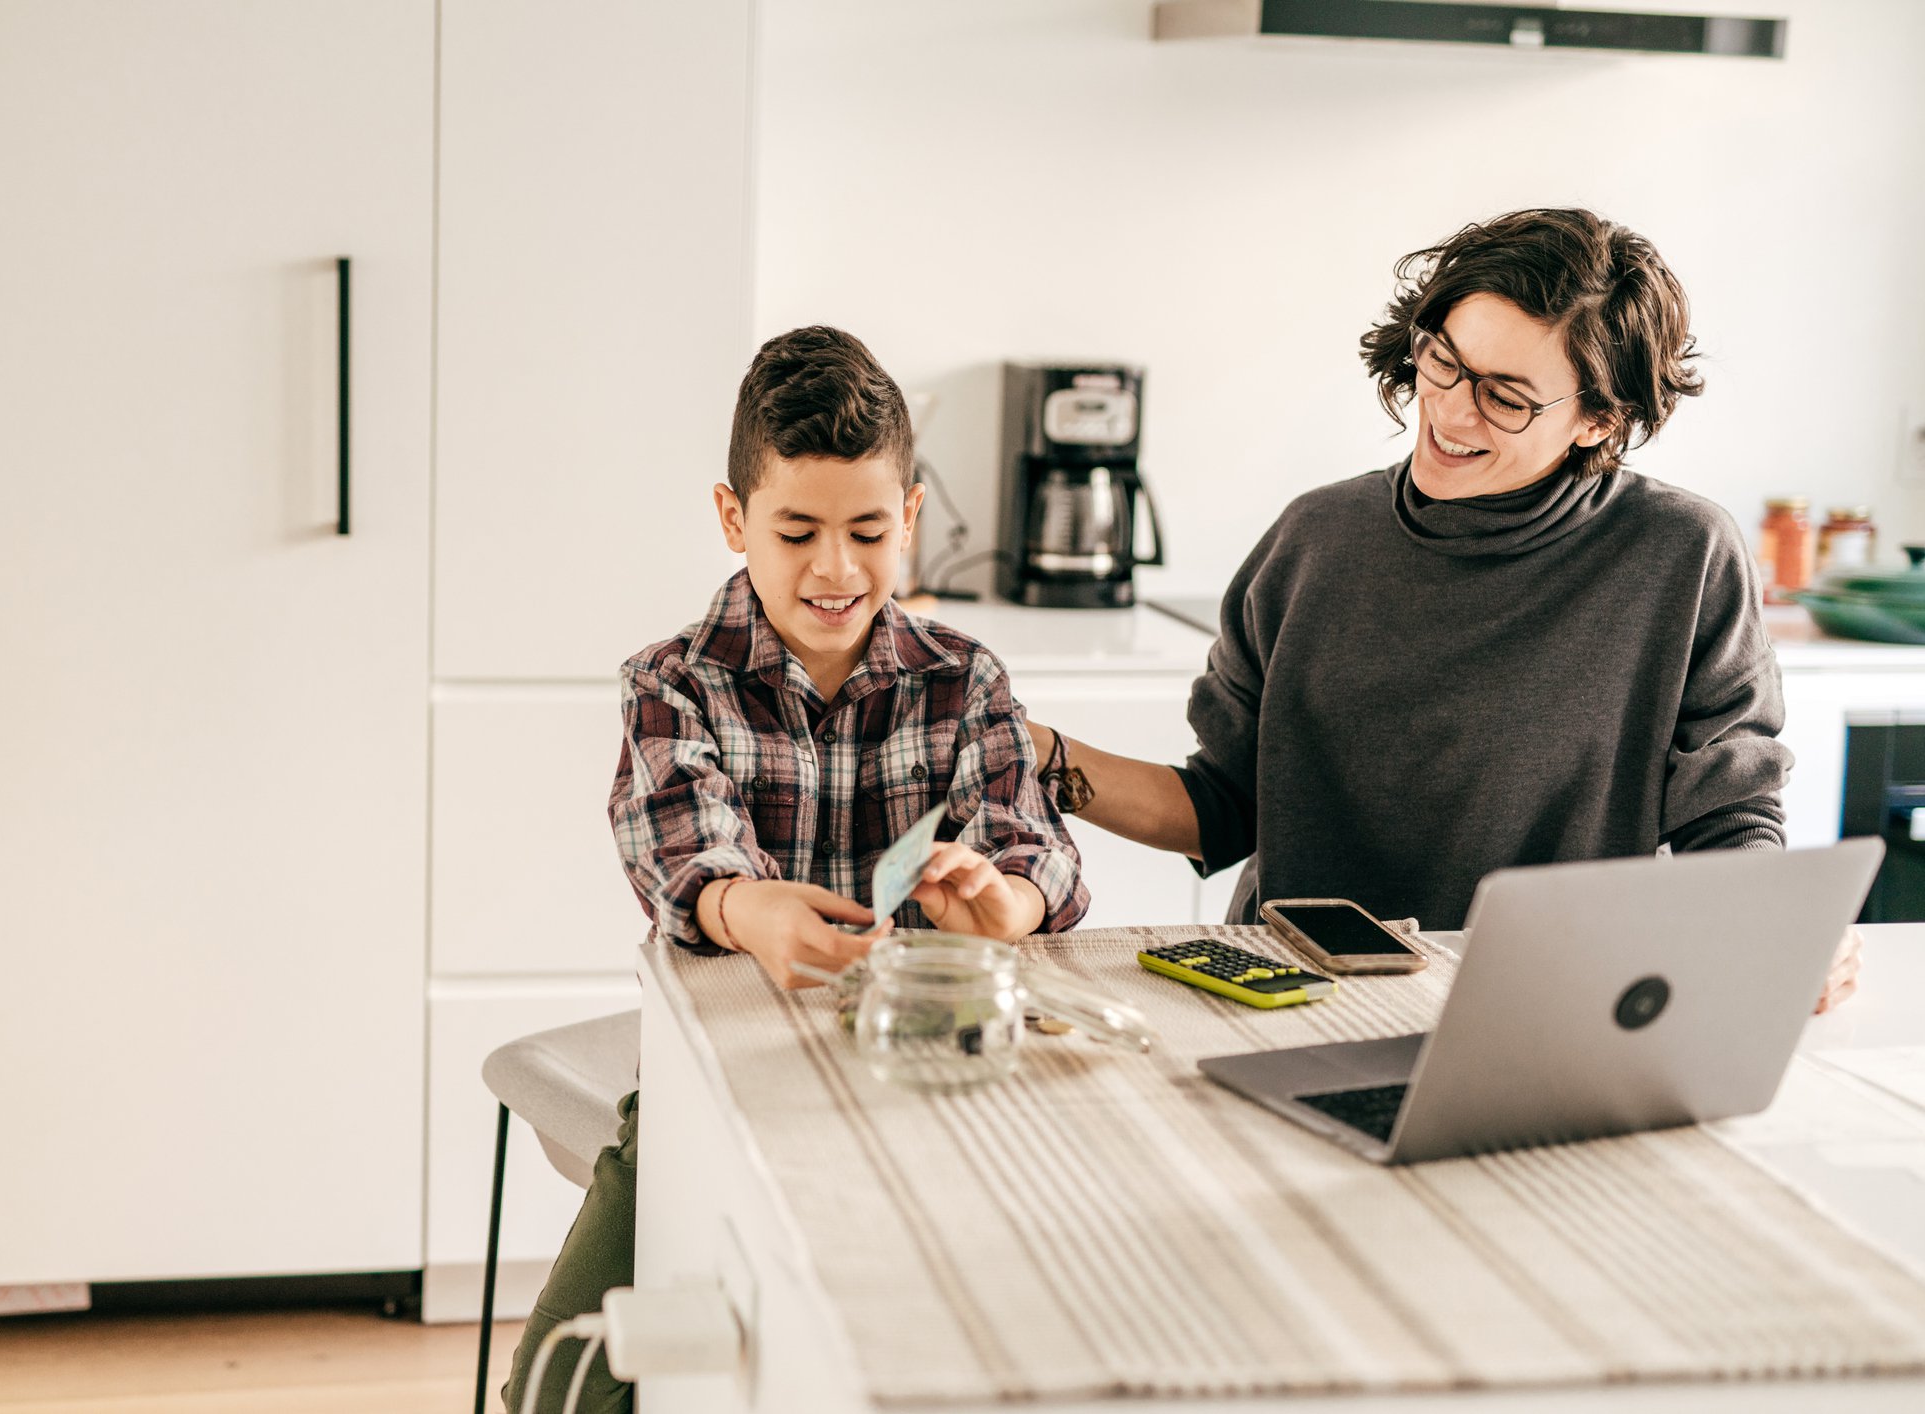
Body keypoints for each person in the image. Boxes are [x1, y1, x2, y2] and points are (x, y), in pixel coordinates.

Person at [1027, 207, 1861, 1013]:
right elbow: (1223, 808)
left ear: (1597, 418)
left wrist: (1783, 930)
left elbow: (1729, 815)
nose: (1452, 410)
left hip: (1543, 1002)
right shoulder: (1314, 539)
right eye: (1444, 362)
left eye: (1507, 396)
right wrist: (1044, 756)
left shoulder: (1680, 555)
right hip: (1293, 993)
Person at [504, 324, 1089, 1414]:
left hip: (927, 1080)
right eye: (796, 530)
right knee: (556, 1387)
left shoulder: (964, 682)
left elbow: (1035, 852)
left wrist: (1001, 904)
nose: (835, 567)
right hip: (718, 1082)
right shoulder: (671, 684)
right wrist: (745, 908)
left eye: (868, 529)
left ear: (910, 517)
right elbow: (678, 844)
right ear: (733, 520)